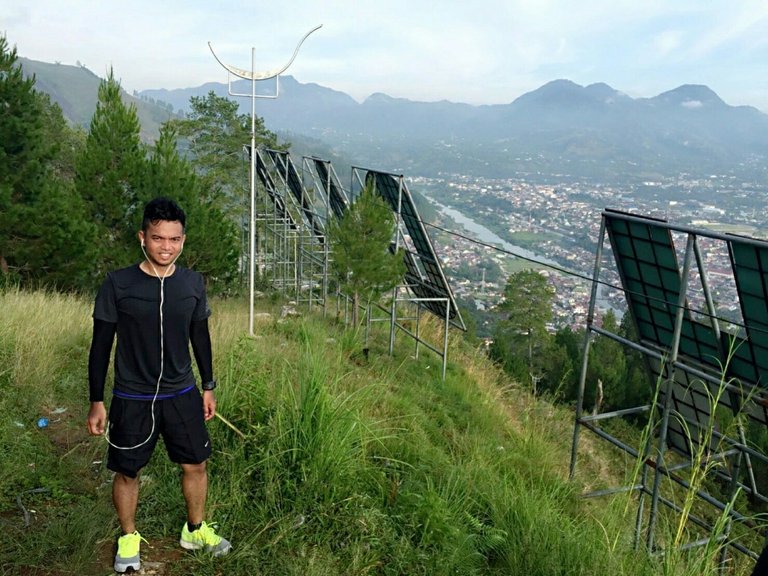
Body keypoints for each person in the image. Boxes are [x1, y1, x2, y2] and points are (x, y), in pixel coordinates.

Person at [86, 197, 230, 573]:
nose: (166, 247)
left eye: (175, 239)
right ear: (142, 238)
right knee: (128, 471)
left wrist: (209, 386)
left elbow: (201, 336)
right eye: (158, 238)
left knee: (196, 465)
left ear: (183, 239)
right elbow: (101, 344)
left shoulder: (192, 283)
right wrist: (96, 400)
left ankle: (195, 530)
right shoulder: (118, 284)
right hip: (132, 396)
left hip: (182, 393)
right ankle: (129, 537)